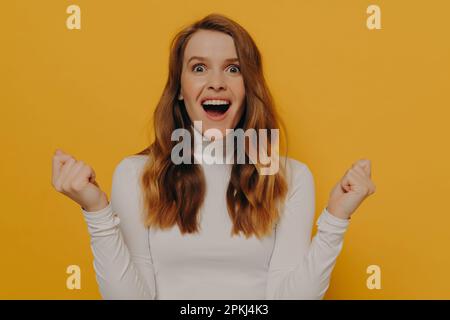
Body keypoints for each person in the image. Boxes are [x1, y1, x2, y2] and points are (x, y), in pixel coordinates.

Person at [51, 13, 376, 300]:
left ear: (248, 86)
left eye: (233, 69)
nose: (217, 83)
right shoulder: (136, 174)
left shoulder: (289, 178)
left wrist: (335, 217)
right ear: (179, 88)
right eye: (199, 68)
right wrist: (96, 210)